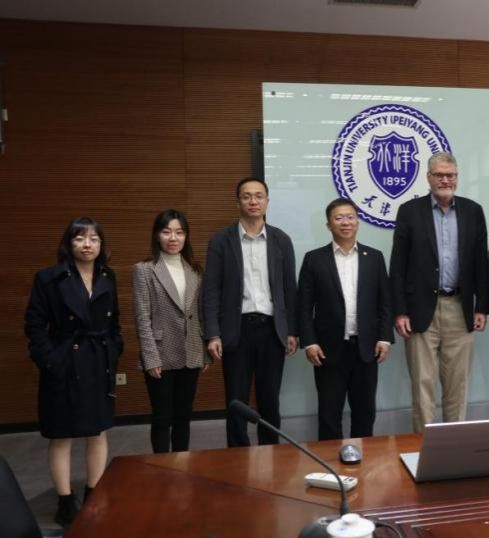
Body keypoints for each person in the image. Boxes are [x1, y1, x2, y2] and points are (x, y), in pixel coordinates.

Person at [24, 217, 123, 527]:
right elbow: (34, 325)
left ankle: (95, 492)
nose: (87, 244)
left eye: (93, 238)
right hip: (64, 361)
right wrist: (51, 360)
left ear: (101, 244)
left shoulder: (107, 276)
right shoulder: (48, 278)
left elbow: (114, 322)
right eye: (79, 238)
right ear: (68, 243)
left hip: (97, 362)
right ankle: (65, 502)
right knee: (61, 434)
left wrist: (113, 349)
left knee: (98, 431)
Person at [390, 152, 489, 432]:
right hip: (420, 310)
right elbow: (398, 265)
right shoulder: (410, 211)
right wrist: (400, 311)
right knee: (423, 386)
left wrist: (482, 306)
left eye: (451, 175)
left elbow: (481, 262)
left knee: (458, 384)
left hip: (460, 307)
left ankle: (454, 446)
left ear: (457, 177)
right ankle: (423, 447)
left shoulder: (473, 211)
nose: (446, 180)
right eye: (440, 175)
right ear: (429, 178)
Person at [202, 177, 298, 447]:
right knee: (236, 400)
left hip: (272, 330)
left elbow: (290, 289)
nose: (253, 201)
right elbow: (211, 290)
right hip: (237, 330)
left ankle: (271, 452)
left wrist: (292, 330)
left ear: (267, 202)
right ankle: (238, 456)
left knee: (270, 399)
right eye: (246, 196)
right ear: (238, 203)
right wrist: (213, 334)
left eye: (258, 196)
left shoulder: (281, 240)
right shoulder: (221, 240)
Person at [297, 198, 393, 440]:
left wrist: (384, 338)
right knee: (329, 415)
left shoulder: (375, 257)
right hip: (328, 350)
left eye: (351, 217)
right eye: (339, 218)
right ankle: (329, 462)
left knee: (365, 413)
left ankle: (364, 460)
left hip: (366, 348)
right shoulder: (314, 259)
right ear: (329, 225)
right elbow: (304, 306)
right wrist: (309, 342)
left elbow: (385, 302)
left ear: (358, 222)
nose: (346, 222)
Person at [132, 209, 210, 453]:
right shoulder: (144, 269)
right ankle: (162, 466)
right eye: (166, 232)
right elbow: (142, 317)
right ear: (157, 235)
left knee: (184, 417)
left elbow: (200, 314)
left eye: (179, 232)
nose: (173, 238)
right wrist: (150, 358)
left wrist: (204, 353)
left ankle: (181, 463)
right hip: (160, 353)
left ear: (186, 236)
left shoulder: (195, 270)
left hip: (191, 353)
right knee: (162, 417)